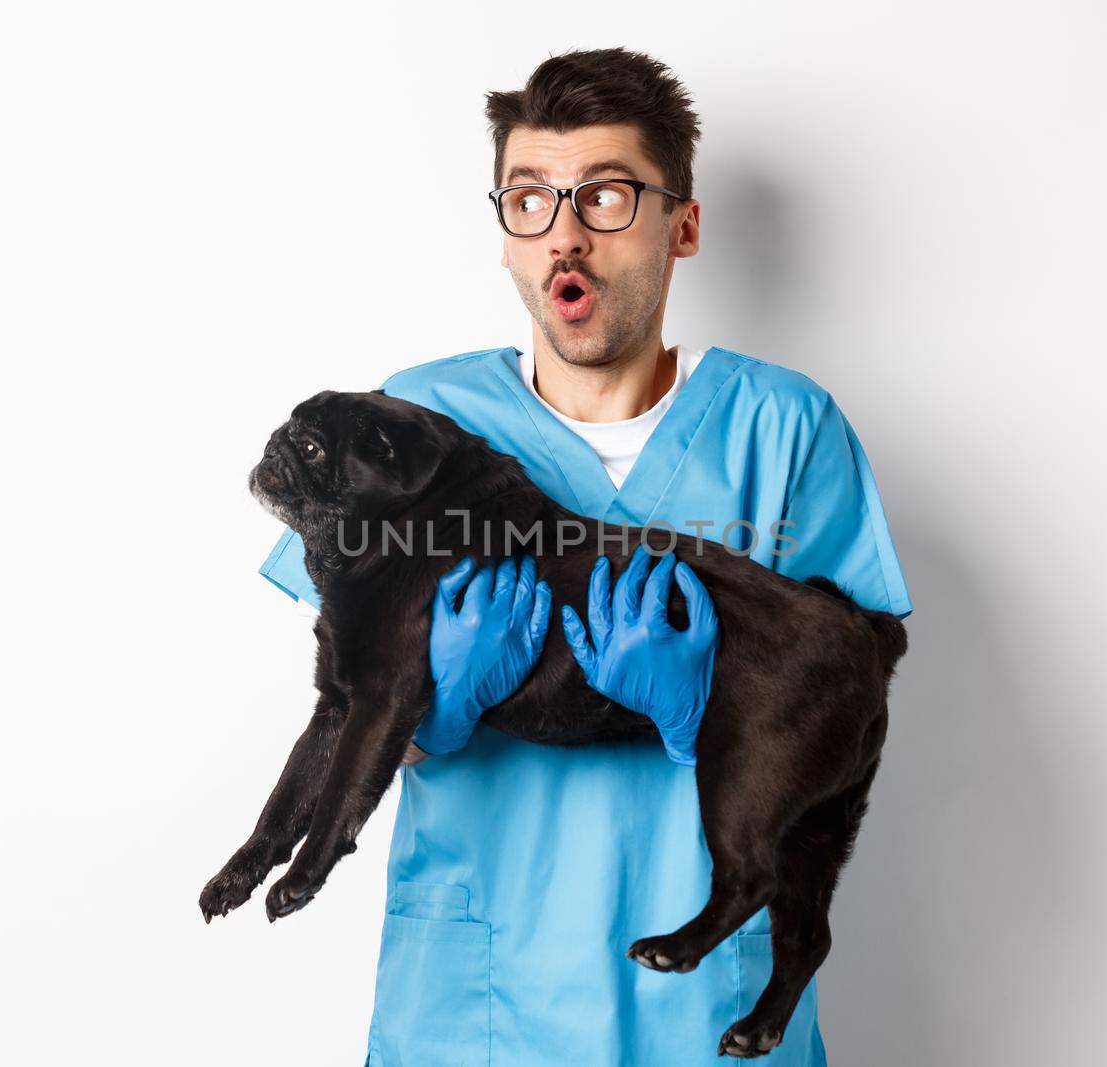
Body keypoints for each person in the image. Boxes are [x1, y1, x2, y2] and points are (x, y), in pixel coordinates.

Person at [257, 47, 913, 1067]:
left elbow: (853, 696)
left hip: (707, 1017)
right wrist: (440, 706)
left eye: (606, 196)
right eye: (530, 199)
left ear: (681, 223)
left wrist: (710, 714)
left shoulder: (783, 428)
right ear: (506, 233)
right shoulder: (412, 423)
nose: (565, 233)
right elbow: (347, 701)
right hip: (476, 1012)